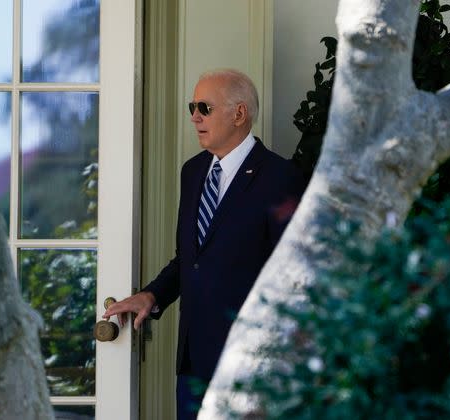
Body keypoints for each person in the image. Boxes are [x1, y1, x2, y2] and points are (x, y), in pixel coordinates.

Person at [103, 69, 306, 419]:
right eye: (192, 107)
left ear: (239, 114)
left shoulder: (281, 178)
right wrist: (152, 295)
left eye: (204, 107)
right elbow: (190, 259)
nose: (195, 116)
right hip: (193, 364)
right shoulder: (193, 171)